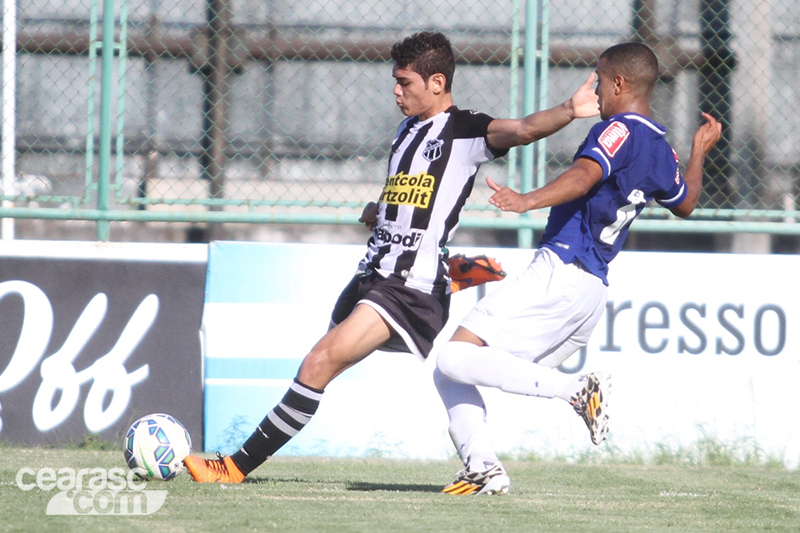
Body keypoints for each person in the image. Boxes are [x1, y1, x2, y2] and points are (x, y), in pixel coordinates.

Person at [183, 31, 600, 483]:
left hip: (408, 290)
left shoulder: (464, 131)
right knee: (319, 365)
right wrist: (380, 213)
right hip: (373, 276)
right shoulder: (406, 131)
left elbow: (519, 130)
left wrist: (568, 111)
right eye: (395, 81)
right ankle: (480, 455)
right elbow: (413, 200)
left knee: (318, 363)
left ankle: (233, 467)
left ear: (437, 82)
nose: (396, 91)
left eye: (405, 82)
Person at [435, 42, 723, 496]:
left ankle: (576, 389)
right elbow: (685, 201)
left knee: (452, 357)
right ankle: (482, 466)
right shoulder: (660, 148)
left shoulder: (618, 130)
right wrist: (698, 151)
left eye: (599, 78)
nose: (596, 88)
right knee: (458, 369)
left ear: (619, 84)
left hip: (561, 270)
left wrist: (527, 200)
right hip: (590, 296)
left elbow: (586, 175)